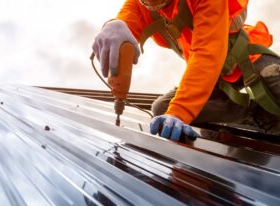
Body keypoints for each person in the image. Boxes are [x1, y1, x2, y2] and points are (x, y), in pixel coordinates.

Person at [92, 0, 280, 141]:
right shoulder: (142, 4)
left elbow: (207, 55)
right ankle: (252, 111)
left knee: (274, 83)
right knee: (162, 109)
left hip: (246, 60)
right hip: (215, 79)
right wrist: (114, 25)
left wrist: (180, 112)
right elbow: (127, 21)